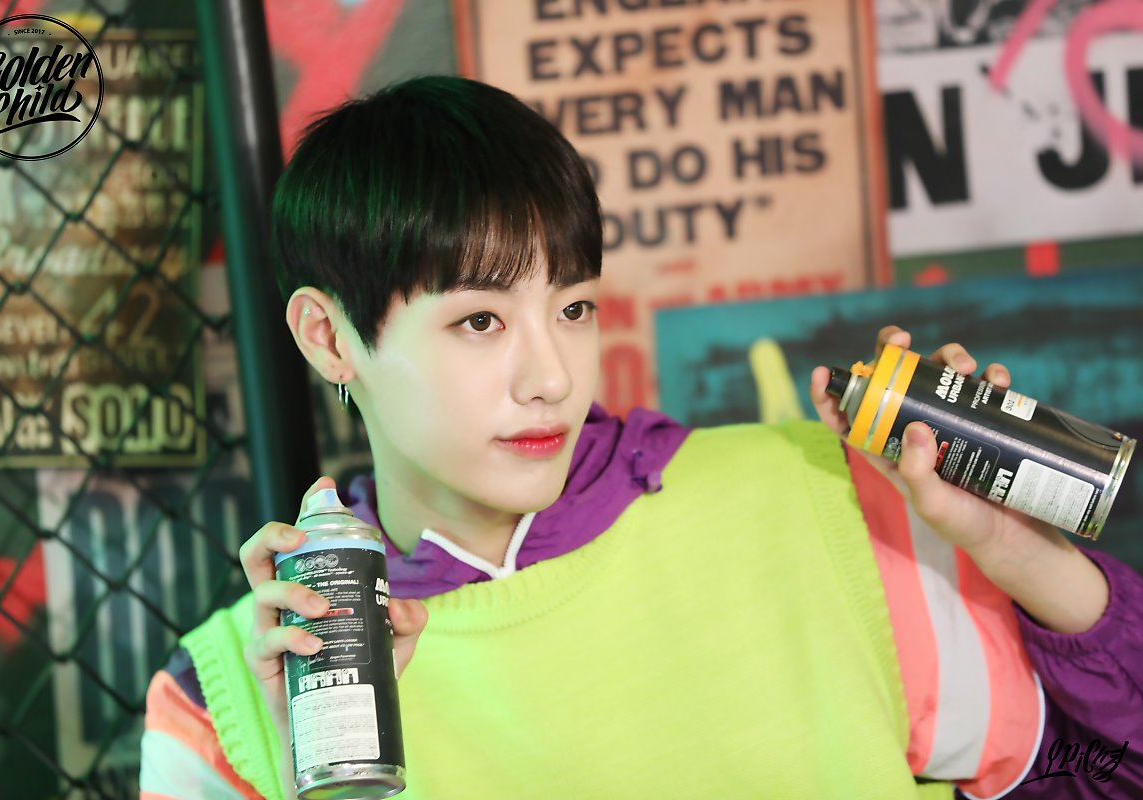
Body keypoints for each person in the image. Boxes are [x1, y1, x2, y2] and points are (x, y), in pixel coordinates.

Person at [139, 75, 1141, 800]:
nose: (551, 377)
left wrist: (1016, 550)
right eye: (480, 320)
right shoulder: (229, 695)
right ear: (329, 337)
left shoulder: (826, 504)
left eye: (572, 308)